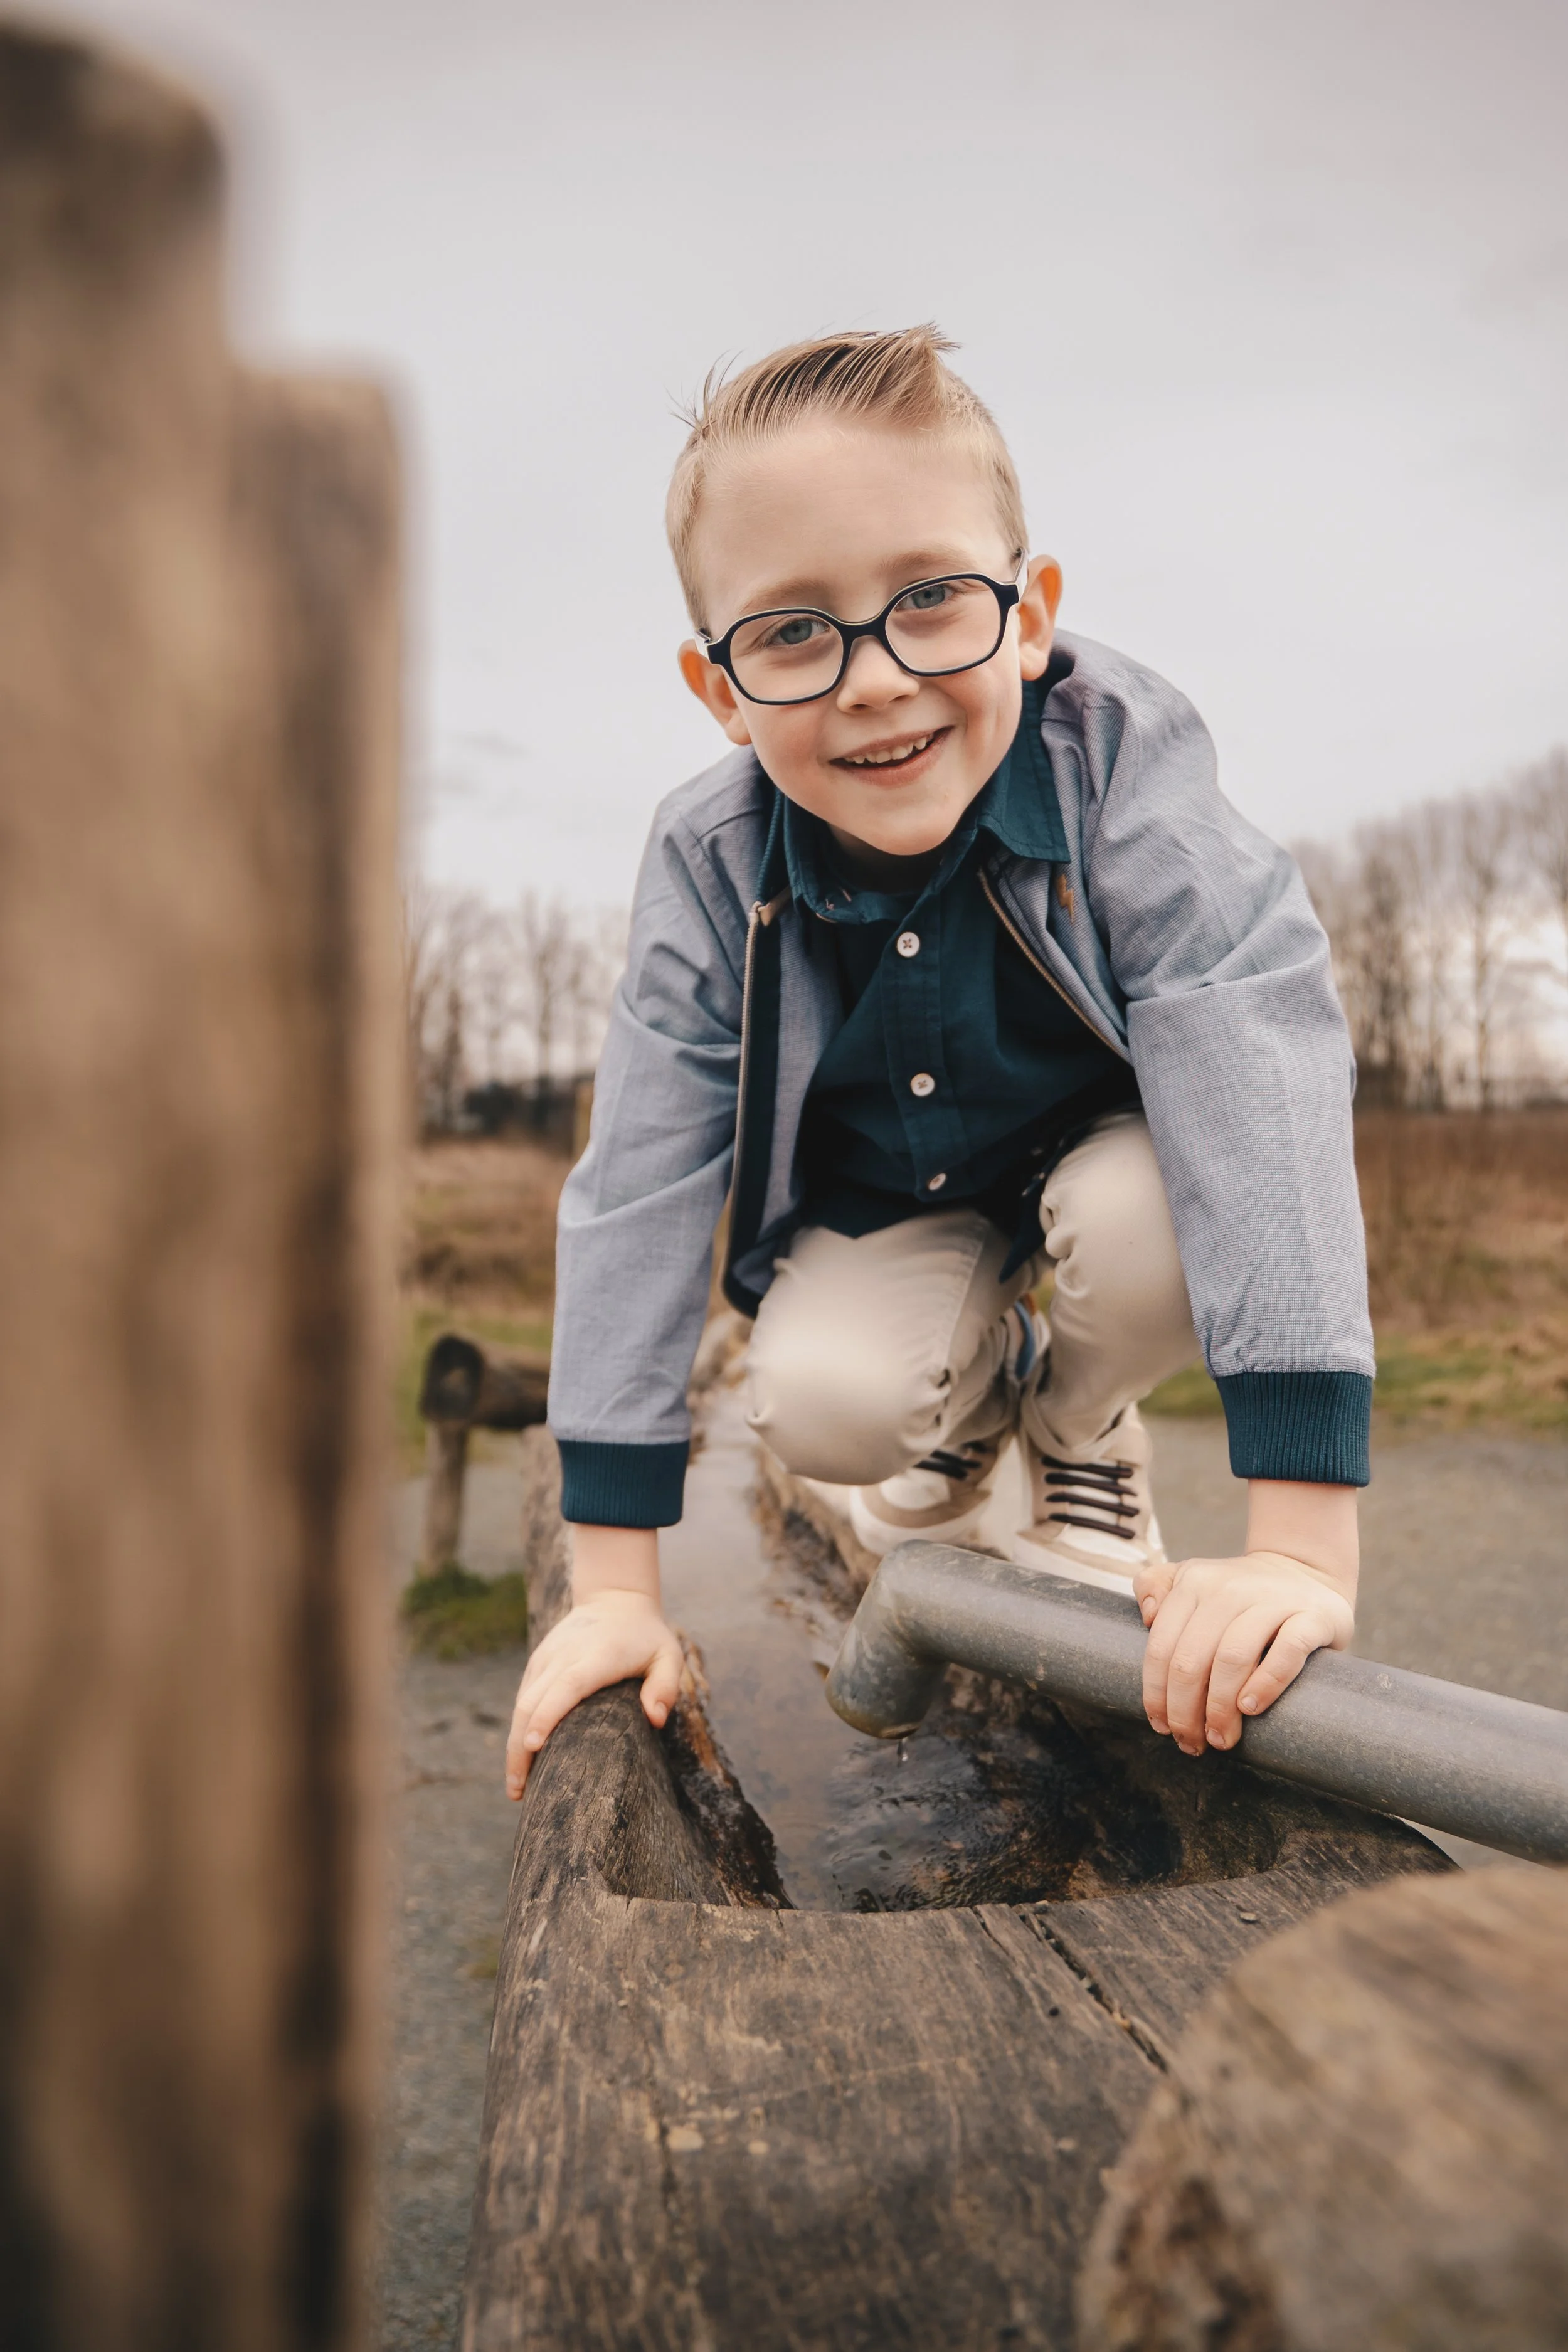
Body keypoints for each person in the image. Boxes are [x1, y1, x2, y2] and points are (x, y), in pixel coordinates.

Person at [505, 326, 1369, 1801]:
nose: (873, 679)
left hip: (1105, 1164)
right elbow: (642, 1179)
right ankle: (970, 1431)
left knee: (1151, 1214)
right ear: (716, 689)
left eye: (928, 601)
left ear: (1028, 615)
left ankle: (1078, 1426)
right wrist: (612, 1592)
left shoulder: (1119, 763)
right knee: (824, 1405)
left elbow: (1250, 1058)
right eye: (789, 631)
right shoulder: (709, 861)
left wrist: (1294, 1548)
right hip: (891, 1204)